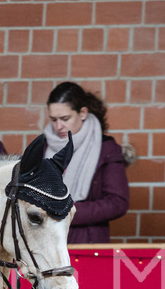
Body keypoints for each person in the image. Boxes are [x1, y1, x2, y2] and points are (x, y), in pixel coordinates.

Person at [44, 81, 130, 244]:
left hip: (86, 243)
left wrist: (67, 211)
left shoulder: (105, 149)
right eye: (53, 119)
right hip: (46, 245)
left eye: (65, 118)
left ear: (82, 113)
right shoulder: (43, 147)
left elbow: (118, 202)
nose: (58, 126)